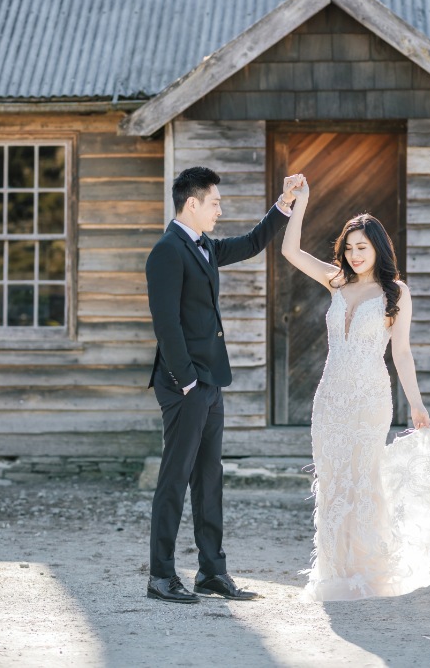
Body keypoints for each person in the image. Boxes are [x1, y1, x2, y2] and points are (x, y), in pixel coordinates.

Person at [282, 174, 430, 601]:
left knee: (363, 481)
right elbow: (289, 250)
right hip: (329, 398)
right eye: (349, 248)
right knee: (333, 482)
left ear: (377, 248)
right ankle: (334, 571)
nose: (355, 255)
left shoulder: (395, 292)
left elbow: (402, 354)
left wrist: (416, 404)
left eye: (363, 247)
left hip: (369, 399)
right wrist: (300, 201)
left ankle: (368, 572)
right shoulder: (336, 281)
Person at [145, 166, 299, 604]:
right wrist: (187, 379)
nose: (219, 209)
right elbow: (166, 324)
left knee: (210, 477)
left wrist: (282, 205)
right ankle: (160, 577)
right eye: (214, 202)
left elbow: (251, 243)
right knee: (175, 478)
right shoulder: (166, 251)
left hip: (210, 381)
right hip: (184, 383)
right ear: (191, 204)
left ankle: (212, 572)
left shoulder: (205, 246)